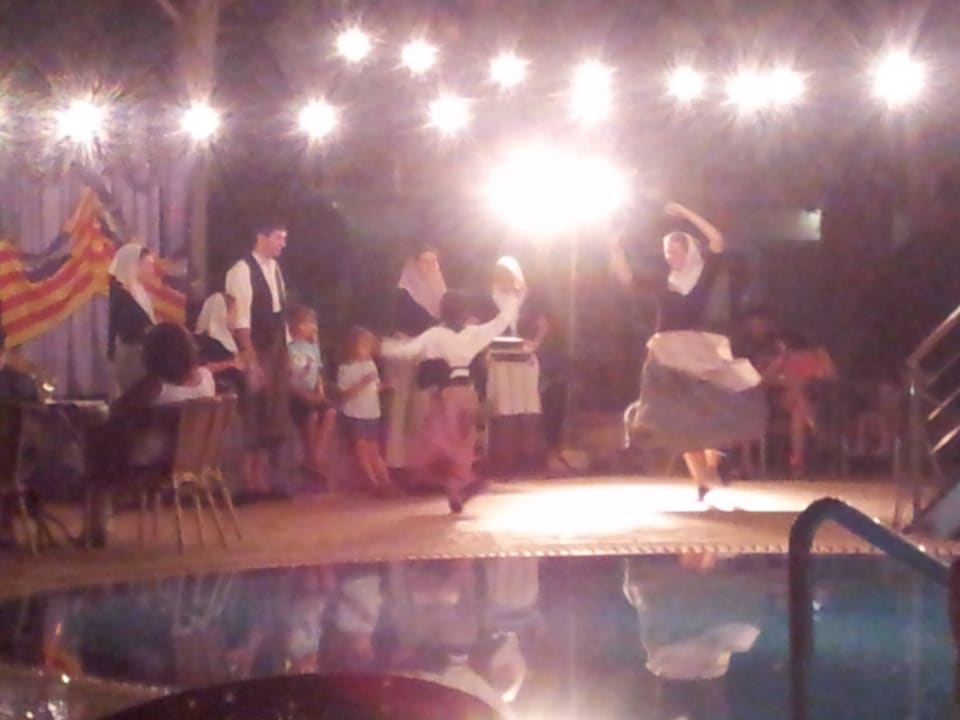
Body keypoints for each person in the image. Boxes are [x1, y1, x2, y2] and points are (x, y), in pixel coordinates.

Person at [614, 201, 766, 501]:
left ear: (688, 251)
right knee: (676, 417)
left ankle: (710, 471)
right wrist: (615, 247)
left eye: (675, 251)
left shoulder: (703, 274)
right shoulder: (662, 280)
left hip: (695, 349)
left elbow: (717, 241)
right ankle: (703, 479)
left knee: (711, 411)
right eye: (667, 253)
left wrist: (685, 213)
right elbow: (627, 277)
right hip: (665, 353)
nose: (670, 257)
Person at [380, 289, 520, 514]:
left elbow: (407, 352)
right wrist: (513, 297)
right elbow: (500, 322)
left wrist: (383, 347)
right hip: (467, 394)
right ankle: (457, 487)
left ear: (442, 311)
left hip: (446, 395)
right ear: (465, 312)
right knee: (461, 444)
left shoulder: (436, 335)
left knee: (439, 440)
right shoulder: (472, 334)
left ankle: (453, 483)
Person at [84, 323, 217, 546]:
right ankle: (104, 516)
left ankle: (98, 524)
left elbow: (116, 410)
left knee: (98, 446)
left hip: (156, 460)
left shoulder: (154, 387)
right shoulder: (206, 379)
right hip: (195, 457)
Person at [225, 218, 291, 499]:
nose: (282, 244)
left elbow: (280, 313)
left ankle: (268, 480)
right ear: (261, 237)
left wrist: (286, 349)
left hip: (276, 346)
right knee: (253, 411)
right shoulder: (241, 271)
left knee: (274, 413)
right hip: (257, 347)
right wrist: (250, 357)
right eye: (278, 238)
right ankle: (247, 482)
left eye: (284, 238)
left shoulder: (275, 269)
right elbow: (240, 319)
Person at [482, 257, 548, 475]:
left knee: (527, 407)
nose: (505, 281)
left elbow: (543, 324)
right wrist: (485, 349)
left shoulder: (526, 300)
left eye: (508, 276)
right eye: (501, 276)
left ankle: (529, 461)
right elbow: (479, 327)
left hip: (523, 359)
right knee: (503, 408)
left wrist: (535, 344)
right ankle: (503, 461)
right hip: (500, 359)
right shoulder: (490, 300)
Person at [385, 246, 447, 474]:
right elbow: (402, 322)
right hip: (404, 349)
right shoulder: (404, 292)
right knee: (399, 406)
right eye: (424, 261)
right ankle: (396, 463)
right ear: (415, 263)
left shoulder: (440, 293)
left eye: (433, 262)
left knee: (422, 407)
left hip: (427, 354)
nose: (428, 267)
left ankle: (419, 463)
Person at [338, 326, 392, 495]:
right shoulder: (346, 368)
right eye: (364, 345)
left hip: (372, 413)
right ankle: (372, 482)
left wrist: (385, 386)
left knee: (374, 449)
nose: (368, 349)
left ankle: (386, 482)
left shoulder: (370, 364)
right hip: (356, 413)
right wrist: (362, 383)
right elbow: (344, 394)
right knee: (362, 448)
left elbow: (375, 388)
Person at [288, 305, 336, 480]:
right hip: (297, 392)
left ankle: (316, 455)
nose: (315, 326)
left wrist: (320, 391)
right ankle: (311, 458)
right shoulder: (291, 349)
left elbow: (318, 373)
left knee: (330, 412)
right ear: (300, 326)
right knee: (312, 416)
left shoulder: (313, 348)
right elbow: (290, 376)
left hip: (312, 391)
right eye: (311, 323)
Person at [107, 243, 156, 397]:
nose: (152, 270)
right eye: (148, 265)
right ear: (134, 264)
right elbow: (124, 327)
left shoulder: (139, 291)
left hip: (143, 353)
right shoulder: (122, 293)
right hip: (131, 354)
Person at [194, 292, 245, 394]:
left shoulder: (229, 340)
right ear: (222, 313)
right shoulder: (205, 342)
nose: (236, 317)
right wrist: (230, 364)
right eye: (234, 312)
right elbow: (202, 368)